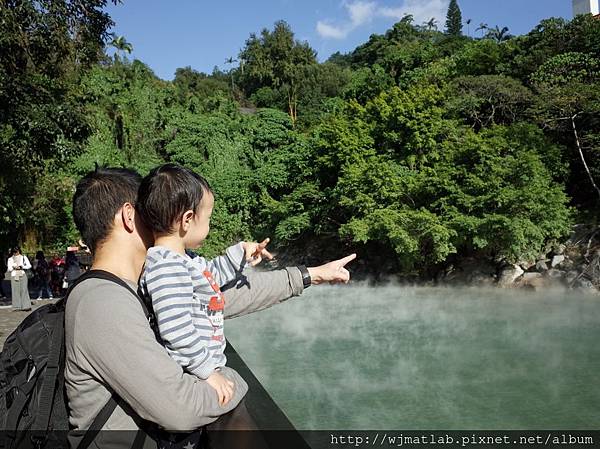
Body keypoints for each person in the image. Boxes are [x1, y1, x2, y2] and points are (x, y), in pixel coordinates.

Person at [66, 166, 355, 448]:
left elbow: (222, 298)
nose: (159, 215)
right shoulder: (103, 303)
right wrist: (233, 379)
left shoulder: (141, 283)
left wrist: (310, 275)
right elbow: (179, 409)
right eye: (149, 209)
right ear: (130, 216)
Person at [137, 164, 273, 409]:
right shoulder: (165, 268)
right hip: (191, 376)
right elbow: (176, 330)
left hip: (200, 370)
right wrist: (208, 372)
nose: (209, 225)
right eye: (208, 218)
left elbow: (211, 276)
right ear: (187, 219)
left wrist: (241, 253)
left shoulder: (185, 260)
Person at [7, 246, 32, 311]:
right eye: (14, 252)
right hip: (14, 275)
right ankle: (17, 306)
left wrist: (22, 266)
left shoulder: (23, 257)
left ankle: (26, 306)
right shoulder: (10, 259)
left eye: (17, 251)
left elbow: (29, 266)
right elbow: (9, 269)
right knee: (15, 291)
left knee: (24, 290)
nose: (16, 253)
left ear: (19, 251)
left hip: (22, 274)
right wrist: (14, 267)